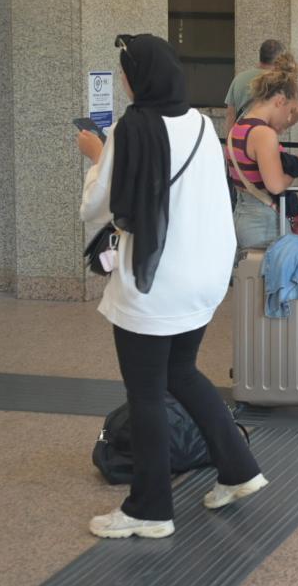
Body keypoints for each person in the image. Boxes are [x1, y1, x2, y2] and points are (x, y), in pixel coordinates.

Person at [79, 34, 265, 539]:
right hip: (205, 275)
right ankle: (240, 469)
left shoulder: (131, 128)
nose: (122, 80)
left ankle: (150, 509)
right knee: (181, 372)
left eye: (125, 72)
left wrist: (96, 156)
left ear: (138, 78)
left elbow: (95, 206)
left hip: (155, 281)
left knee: (145, 393)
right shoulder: (203, 125)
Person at [226, 54, 298, 249]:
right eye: (288, 112)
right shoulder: (263, 134)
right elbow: (276, 186)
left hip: (243, 215)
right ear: (279, 101)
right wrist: (297, 168)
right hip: (264, 222)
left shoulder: (239, 127)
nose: (288, 119)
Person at [225, 39, 285, 132]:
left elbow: (230, 114)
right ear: (280, 59)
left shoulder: (239, 78)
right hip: (262, 135)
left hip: (239, 135)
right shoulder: (278, 81)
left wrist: (230, 139)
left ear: (260, 55)